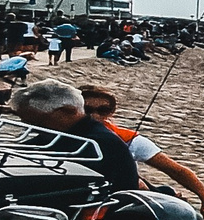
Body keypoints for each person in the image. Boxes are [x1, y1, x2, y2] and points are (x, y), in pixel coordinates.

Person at [77, 87, 204, 220]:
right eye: (87, 110)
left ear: (111, 113)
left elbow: (175, 169)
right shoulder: (59, 132)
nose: (94, 116)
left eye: (102, 111)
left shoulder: (127, 138)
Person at [12, 79, 154, 198]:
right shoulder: (62, 132)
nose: (31, 126)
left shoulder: (98, 142)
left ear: (68, 111)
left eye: (37, 120)